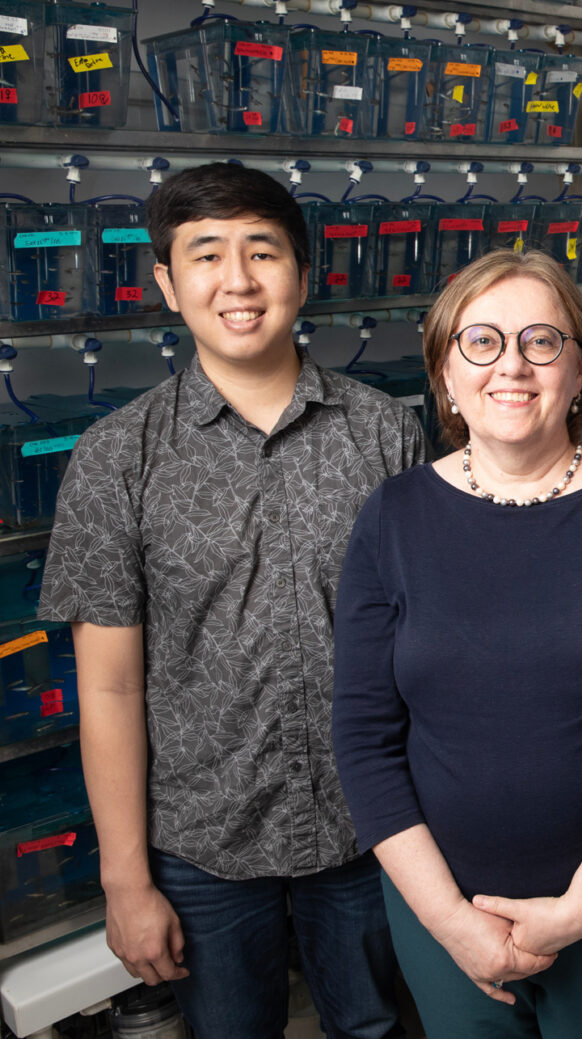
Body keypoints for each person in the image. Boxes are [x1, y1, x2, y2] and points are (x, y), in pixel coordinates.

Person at [39, 163, 422, 1038]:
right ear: (169, 284)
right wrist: (125, 880)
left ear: (304, 269)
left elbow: (424, 637)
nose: (239, 281)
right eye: (206, 255)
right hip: (203, 842)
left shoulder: (385, 432)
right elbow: (106, 687)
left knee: (376, 1027)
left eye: (263, 252)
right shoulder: (116, 457)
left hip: (373, 823)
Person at [331, 249, 582, 1038]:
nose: (512, 364)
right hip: (445, 915)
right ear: (444, 374)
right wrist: (449, 921)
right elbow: (364, 740)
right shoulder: (393, 518)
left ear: (580, 373)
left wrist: (578, 912)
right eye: (481, 342)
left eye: (542, 341)